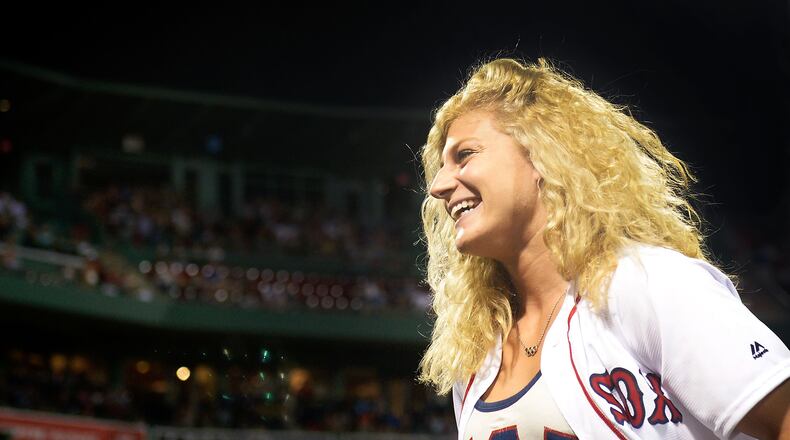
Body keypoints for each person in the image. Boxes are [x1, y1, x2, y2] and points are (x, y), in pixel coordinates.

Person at [417, 58, 790, 439]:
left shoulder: (646, 283)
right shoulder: (478, 347)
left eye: (464, 155)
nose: (439, 185)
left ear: (540, 154)